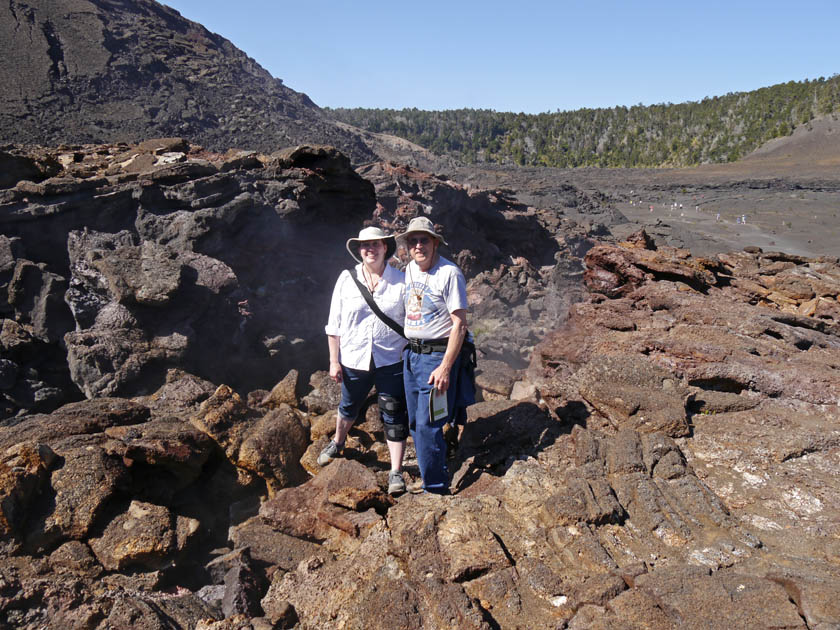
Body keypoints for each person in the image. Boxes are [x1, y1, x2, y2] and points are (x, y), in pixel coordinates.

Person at [320, 226, 409, 496]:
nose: (370, 249)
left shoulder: (402, 280)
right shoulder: (346, 279)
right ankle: (338, 442)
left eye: (375, 244)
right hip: (354, 358)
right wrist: (334, 361)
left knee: (393, 413)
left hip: (391, 359)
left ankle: (396, 471)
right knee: (349, 405)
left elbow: (414, 319)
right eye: (364, 245)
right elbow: (334, 323)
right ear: (359, 250)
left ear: (385, 248)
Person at [397, 217, 474, 495]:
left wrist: (445, 367)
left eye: (424, 240)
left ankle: (436, 488)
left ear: (435, 242)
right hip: (412, 356)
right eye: (413, 241)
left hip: (435, 358)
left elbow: (460, 324)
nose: (419, 245)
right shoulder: (409, 270)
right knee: (416, 423)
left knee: (429, 425)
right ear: (407, 245)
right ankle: (435, 473)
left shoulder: (449, 274)